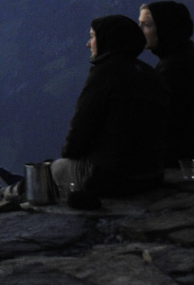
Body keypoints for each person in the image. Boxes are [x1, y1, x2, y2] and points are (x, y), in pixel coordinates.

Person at [51, 15, 171, 200]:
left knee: (54, 169)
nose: (88, 44)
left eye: (92, 37)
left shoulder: (105, 73)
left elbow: (81, 128)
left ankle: (2, 193)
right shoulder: (149, 73)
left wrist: (70, 155)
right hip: (152, 175)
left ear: (107, 40)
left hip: (113, 177)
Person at [140, 0, 194, 164]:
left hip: (178, 154)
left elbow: (157, 119)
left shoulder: (175, 66)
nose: (141, 31)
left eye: (147, 25)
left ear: (165, 27)